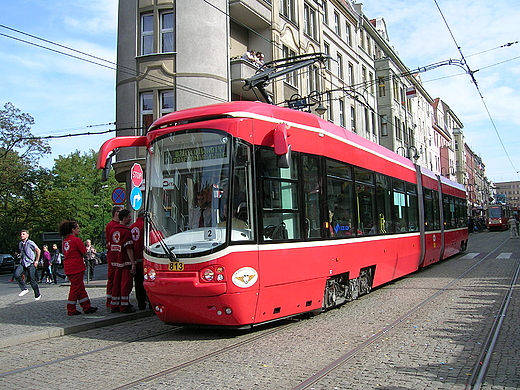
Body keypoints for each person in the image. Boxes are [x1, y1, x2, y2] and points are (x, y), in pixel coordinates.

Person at [59, 220, 98, 316]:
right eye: (77, 228)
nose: (79, 230)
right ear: (73, 230)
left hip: (68, 266)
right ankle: (71, 309)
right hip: (76, 266)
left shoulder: (65, 241)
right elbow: (84, 251)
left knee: (79, 287)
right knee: (76, 288)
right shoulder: (76, 240)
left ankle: (86, 306)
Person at [108, 209, 136, 313]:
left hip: (115, 261)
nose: (130, 219)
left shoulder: (113, 230)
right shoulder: (126, 231)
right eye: (129, 217)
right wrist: (133, 262)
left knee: (116, 284)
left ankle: (114, 305)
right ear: (124, 218)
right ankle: (124, 305)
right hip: (124, 262)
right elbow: (128, 248)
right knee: (125, 284)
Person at [14, 230, 41, 300]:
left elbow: (38, 250)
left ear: (27, 235)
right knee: (16, 274)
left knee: (32, 280)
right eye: (21, 234)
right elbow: (22, 252)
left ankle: (37, 294)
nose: (22, 235)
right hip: (23, 262)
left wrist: (36, 261)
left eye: (23, 234)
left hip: (30, 263)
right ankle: (24, 288)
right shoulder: (20, 243)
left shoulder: (30, 242)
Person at [130, 210, 148, 310]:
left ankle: (141, 303)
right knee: (147, 283)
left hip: (135, 261)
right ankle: (150, 303)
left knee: (138, 283)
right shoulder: (146, 227)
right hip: (146, 261)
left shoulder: (132, 227)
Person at [105, 205, 123, 308]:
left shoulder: (114, 225)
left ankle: (115, 298)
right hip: (114, 255)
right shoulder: (111, 226)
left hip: (116, 254)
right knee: (112, 278)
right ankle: (110, 300)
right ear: (117, 213)